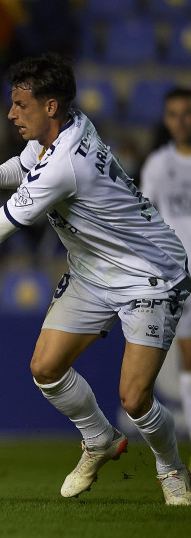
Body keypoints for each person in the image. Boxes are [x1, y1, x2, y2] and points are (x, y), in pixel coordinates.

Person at [0, 53, 191, 505]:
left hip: (149, 274)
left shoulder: (66, 162)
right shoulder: (65, 128)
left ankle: (171, 468)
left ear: (50, 106)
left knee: (135, 399)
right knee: (45, 369)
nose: (10, 113)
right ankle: (99, 439)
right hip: (93, 271)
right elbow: (23, 172)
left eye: (21, 104)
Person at [140, 87, 191, 459]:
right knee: (189, 355)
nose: (180, 121)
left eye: (186, 113)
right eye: (173, 114)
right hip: (180, 274)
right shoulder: (158, 165)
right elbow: (145, 220)